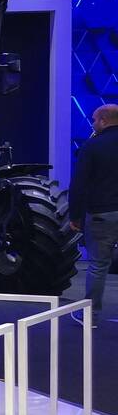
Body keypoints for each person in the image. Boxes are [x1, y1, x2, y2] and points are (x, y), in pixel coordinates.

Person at [69, 103, 118, 327]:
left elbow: (79, 184)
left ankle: (91, 317)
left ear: (104, 120)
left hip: (101, 213)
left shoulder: (93, 146)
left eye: (95, 120)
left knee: (98, 265)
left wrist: (75, 215)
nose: (93, 124)